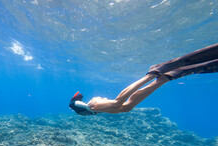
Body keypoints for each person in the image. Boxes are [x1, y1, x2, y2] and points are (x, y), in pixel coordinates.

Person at [85, 43, 218, 114]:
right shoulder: (94, 105)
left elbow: (125, 106)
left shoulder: (99, 108)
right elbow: (117, 102)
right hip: (156, 75)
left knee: (125, 107)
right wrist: (152, 76)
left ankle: (162, 76)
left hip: (160, 76)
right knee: (121, 105)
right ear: (93, 104)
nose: (99, 96)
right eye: (96, 98)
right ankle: (158, 74)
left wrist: (161, 79)